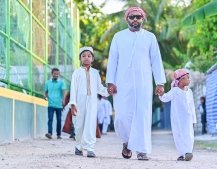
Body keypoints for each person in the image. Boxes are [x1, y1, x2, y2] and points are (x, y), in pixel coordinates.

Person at [106, 7, 166, 160]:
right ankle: (127, 142)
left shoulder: (150, 37)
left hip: (143, 83)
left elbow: (156, 60)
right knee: (121, 116)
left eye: (138, 17)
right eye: (132, 17)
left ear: (142, 19)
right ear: (127, 19)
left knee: (142, 115)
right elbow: (113, 60)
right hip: (122, 83)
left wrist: (160, 82)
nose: (135, 19)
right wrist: (110, 82)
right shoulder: (118, 37)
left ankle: (142, 150)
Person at [68, 46, 109, 158]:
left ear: (93, 59)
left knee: (90, 125)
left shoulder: (96, 73)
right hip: (79, 103)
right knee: (79, 125)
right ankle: (78, 147)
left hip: (92, 103)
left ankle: (90, 149)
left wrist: (108, 91)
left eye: (89, 56)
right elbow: (73, 89)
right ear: (80, 58)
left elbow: (100, 88)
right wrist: (73, 104)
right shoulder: (76, 73)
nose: (86, 58)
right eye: (84, 56)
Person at [158, 69, 197, 161]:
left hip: (188, 118)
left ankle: (188, 152)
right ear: (181, 80)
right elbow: (165, 98)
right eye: (187, 78)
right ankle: (181, 154)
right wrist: (160, 94)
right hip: (177, 118)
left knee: (189, 134)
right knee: (178, 135)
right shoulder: (174, 91)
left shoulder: (189, 91)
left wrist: (193, 119)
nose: (189, 80)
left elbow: (192, 107)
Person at [44, 68, 66, 139]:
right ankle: (50, 133)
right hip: (51, 104)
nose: (56, 75)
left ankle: (58, 134)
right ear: (52, 74)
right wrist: (45, 96)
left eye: (57, 74)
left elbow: (63, 92)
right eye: (55, 74)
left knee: (59, 120)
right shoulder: (48, 83)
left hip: (59, 104)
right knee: (50, 118)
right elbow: (46, 92)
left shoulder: (61, 82)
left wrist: (64, 100)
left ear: (59, 74)